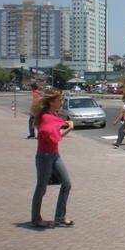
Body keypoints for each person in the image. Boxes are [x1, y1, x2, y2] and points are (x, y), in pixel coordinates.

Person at [30, 89, 74, 228]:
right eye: (59, 100)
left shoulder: (53, 115)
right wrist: (69, 128)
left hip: (54, 155)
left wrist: (64, 126)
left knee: (67, 183)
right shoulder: (46, 117)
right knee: (41, 188)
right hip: (45, 156)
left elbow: (54, 135)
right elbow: (52, 137)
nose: (61, 102)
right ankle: (36, 219)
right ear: (51, 101)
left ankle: (60, 217)